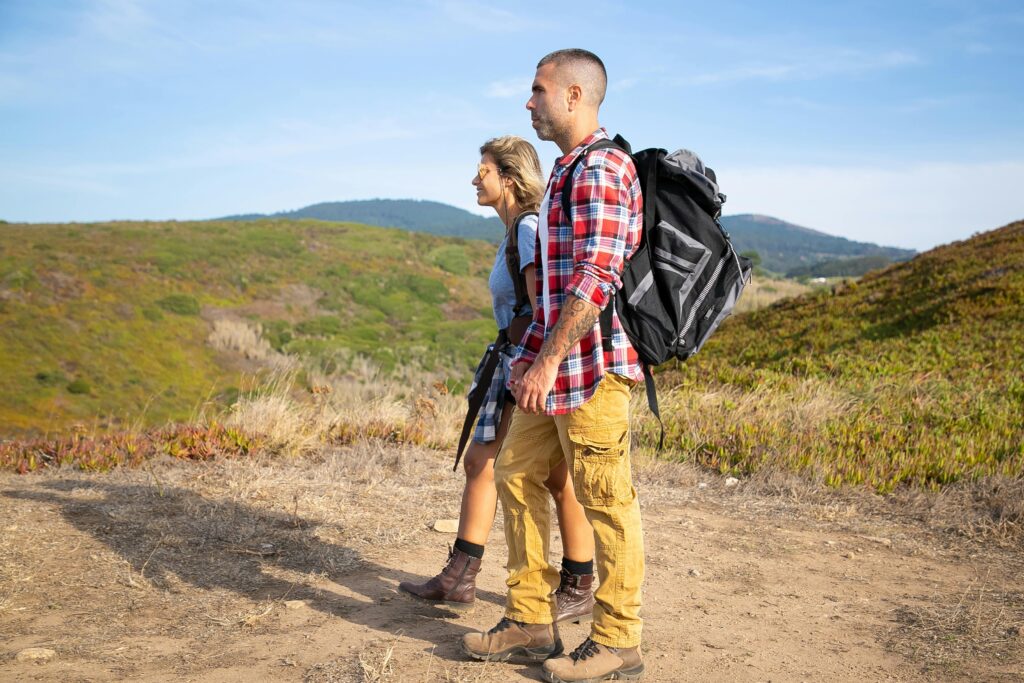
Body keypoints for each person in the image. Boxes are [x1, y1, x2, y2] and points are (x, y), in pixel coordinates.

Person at [461, 50, 646, 683]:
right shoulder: (568, 169)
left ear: (573, 95)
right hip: (552, 364)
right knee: (514, 473)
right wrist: (529, 363)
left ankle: (619, 640)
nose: (528, 101)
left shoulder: (602, 168)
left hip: (592, 369)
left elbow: (596, 279)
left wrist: (545, 362)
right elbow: (554, 286)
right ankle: (530, 619)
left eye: (537, 90)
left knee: (606, 500)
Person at [399, 135, 596, 626]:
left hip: (523, 363)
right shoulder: (517, 231)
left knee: (518, 469)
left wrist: (530, 366)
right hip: (513, 360)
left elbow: (539, 308)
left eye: (482, 170)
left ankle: (564, 580)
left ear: (508, 178)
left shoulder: (528, 230)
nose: (474, 179)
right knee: (528, 471)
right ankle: (476, 575)